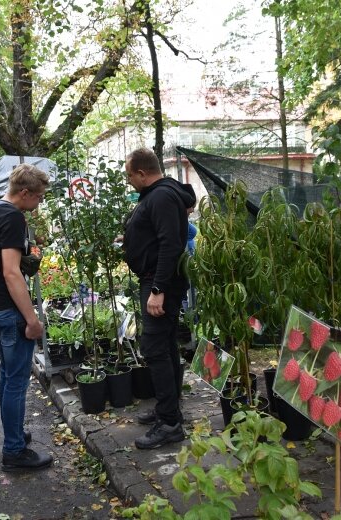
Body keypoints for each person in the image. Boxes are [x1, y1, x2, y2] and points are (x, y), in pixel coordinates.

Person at [123, 147, 195, 450]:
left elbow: (171, 244)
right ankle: (169, 409)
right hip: (156, 280)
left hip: (160, 283)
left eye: (129, 176)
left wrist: (157, 290)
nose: (129, 182)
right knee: (164, 344)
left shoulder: (162, 196)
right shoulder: (159, 195)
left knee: (153, 347)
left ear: (142, 173)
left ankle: (169, 424)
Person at [0, 164, 52, 471]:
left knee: (7, 376)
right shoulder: (11, 216)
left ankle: (14, 435)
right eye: (38, 197)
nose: (38, 203)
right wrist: (32, 319)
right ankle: (13, 450)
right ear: (24, 193)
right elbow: (12, 272)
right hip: (11, 311)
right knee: (16, 382)